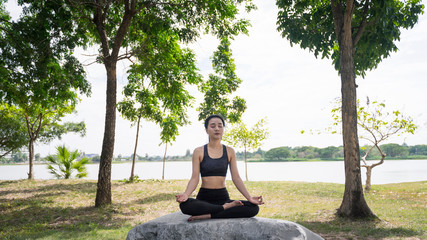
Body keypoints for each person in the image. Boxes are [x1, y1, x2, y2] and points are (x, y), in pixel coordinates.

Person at [176, 114, 264, 221]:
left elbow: (236, 177)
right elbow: (195, 178)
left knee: (253, 208)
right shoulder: (198, 151)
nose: (217, 128)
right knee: (185, 206)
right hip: (204, 198)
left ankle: (210, 214)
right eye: (213, 126)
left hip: (222, 197)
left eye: (220, 126)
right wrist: (186, 194)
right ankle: (223, 209)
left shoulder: (230, 151)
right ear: (207, 130)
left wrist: (249, 198)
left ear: (223, 129)